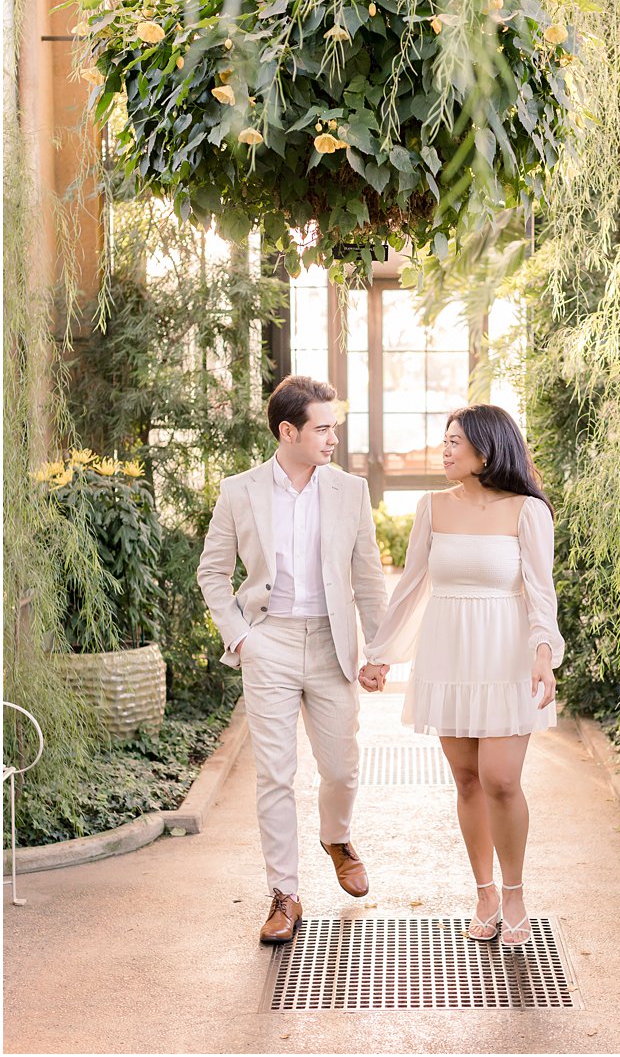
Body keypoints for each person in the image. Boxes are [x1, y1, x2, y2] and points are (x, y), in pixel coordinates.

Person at [197, 375, 390, 945]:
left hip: (332, 644)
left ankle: (337, 837)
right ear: (289, 431)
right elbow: (212, 572)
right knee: (275, 774)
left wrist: (377, 651)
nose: (334, 437)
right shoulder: (240, 491)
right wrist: (241, 638)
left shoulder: (349, 491)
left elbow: (368, 579)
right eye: (323, 428)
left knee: (341, 767)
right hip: (269, 643)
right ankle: (284, 893)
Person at [361, 404, 563, 945]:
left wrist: (544, 652)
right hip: (448, 654)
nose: (444, 450)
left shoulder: (527, 512)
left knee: (501, 778)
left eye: (454, 442)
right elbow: (411, 587)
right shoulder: (432, 507)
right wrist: (380, 653)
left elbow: (541, 593)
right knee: (468, 779)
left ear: (486, 449)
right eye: (444, 440)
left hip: (505, 653)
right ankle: (485, 892)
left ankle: (515, 891)